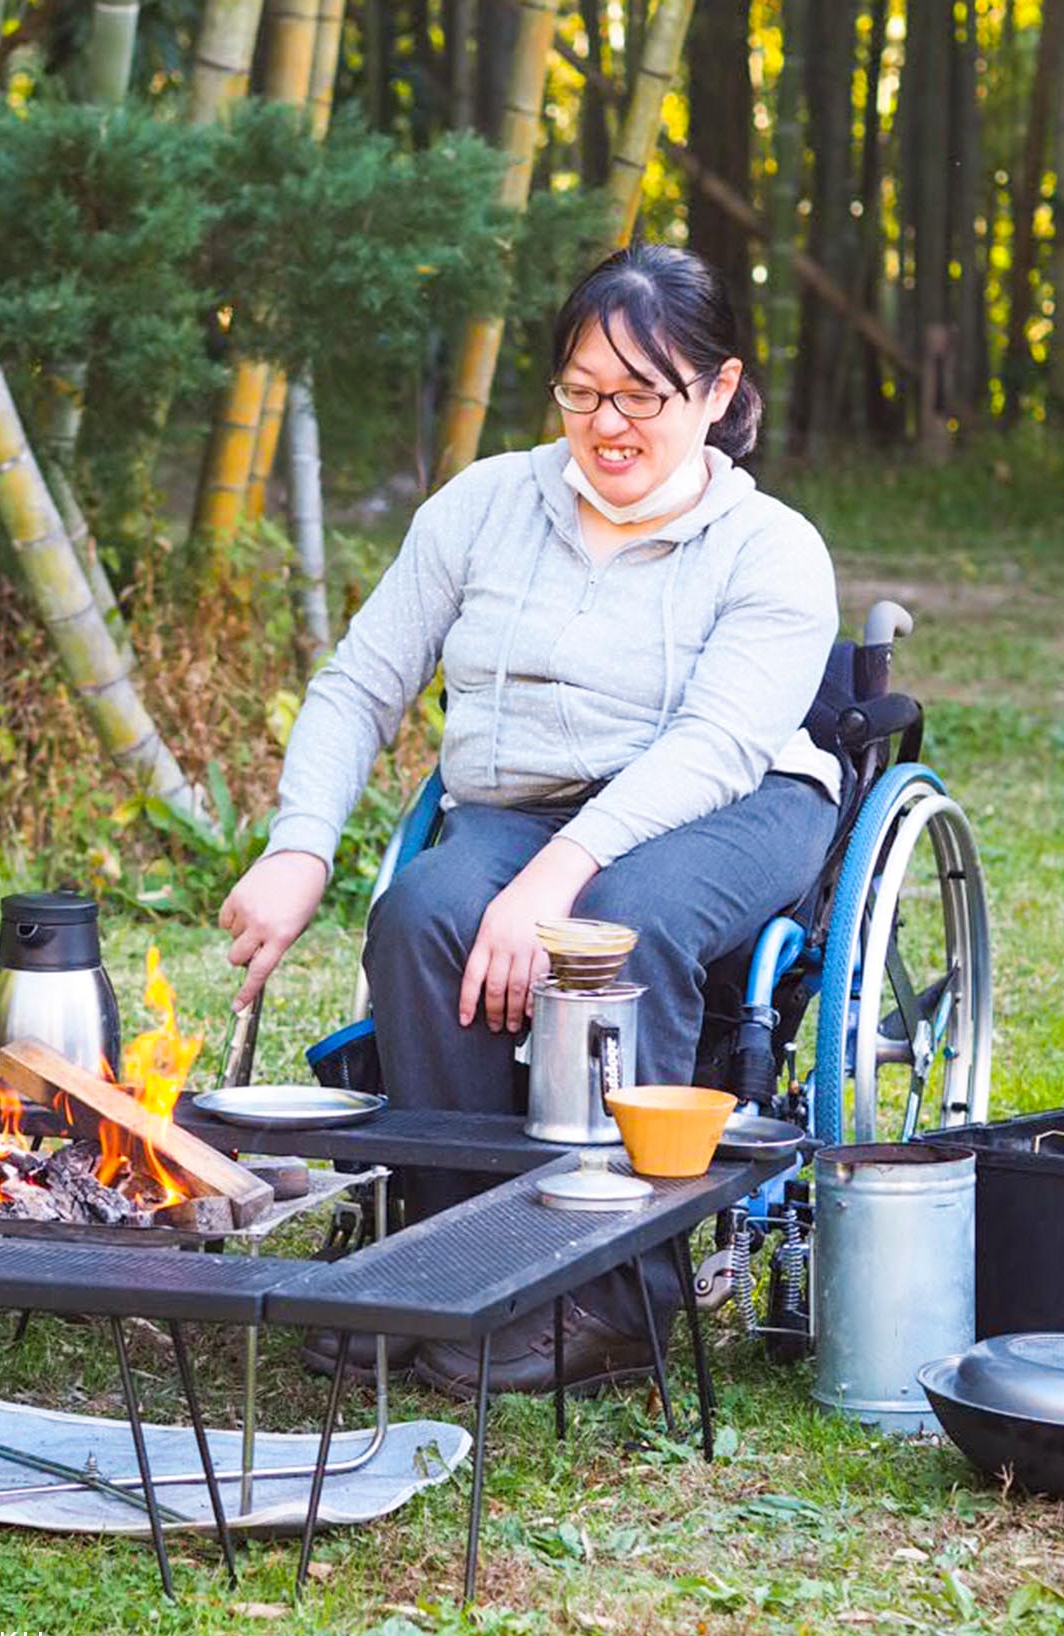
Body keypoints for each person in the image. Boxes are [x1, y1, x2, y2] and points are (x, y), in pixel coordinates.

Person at [219, 242, 841, 1395]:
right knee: (421, 914)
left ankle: (617, 1297)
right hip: (520, 805)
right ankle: (460, 1268)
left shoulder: (771, 551)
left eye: (641, 395)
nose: (606, 423)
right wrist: (300, 845)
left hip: (733, 801)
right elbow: (359, 682)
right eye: (581, 390)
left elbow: (714, 747)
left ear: (717, 390)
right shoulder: (487, 507)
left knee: (618, 926)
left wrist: (554, 878)